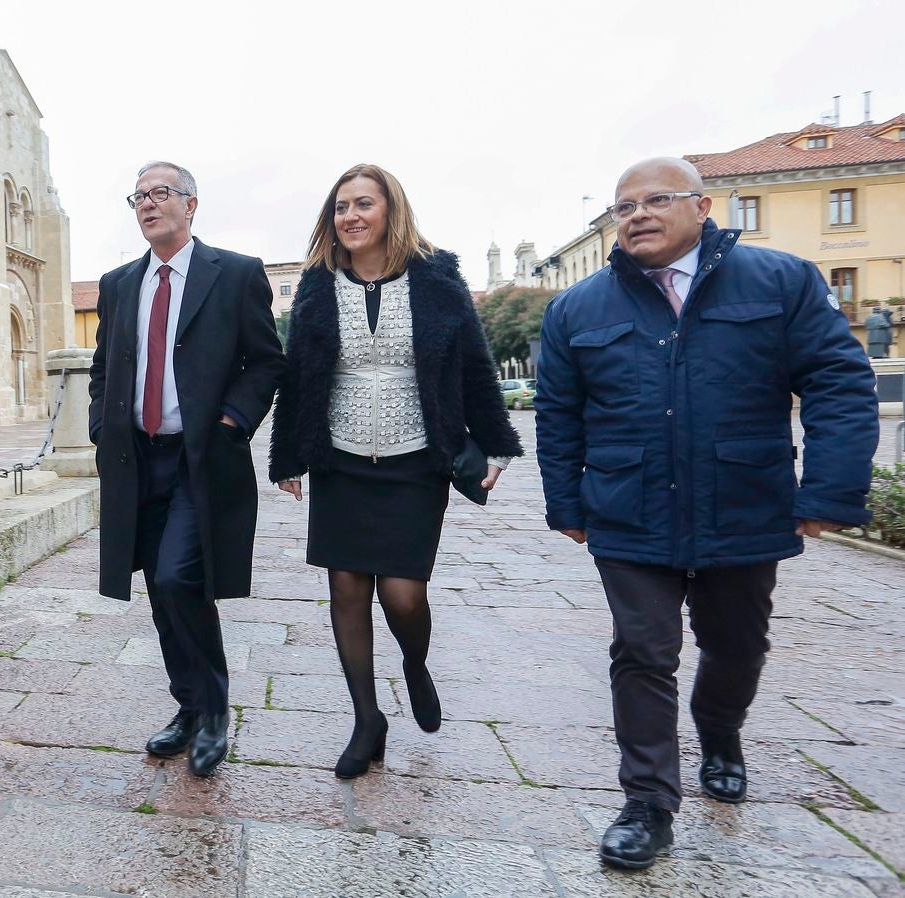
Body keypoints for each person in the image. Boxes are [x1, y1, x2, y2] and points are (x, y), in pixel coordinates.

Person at [535, 157, 879, 869]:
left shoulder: (780, 281)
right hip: (628, 511)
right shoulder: (578, 308)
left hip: (745, 504)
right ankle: (648, 803)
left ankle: (719, 732)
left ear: (704, 206)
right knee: (642, 653)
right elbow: (559, 414)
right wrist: (566, 501)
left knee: (736, 646)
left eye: (655, 199)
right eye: (623, 207)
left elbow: (839, 383)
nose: (636, 215)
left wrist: (829, 492)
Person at [268, 163, 523, 779]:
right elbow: (299, 370)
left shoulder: (438, 277)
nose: (350, 217)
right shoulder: (318, 283)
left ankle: (414, 661)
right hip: (341, 456)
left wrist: (497, 445)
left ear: (390, 211)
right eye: (340, 207)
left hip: (415, 457)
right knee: (346, 590)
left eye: (363, 204)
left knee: (404, 594)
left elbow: (472, 363)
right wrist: (286, 454)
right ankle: (367, 719)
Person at [88, 161, 283, 777]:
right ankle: (188, 708)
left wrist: (231, 421)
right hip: (136, 460)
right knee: (157, 586)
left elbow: (265, 363)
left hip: (200, 459)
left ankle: (215, 712)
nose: (148, 205)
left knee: (178, 578)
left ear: (191, 205)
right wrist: (102, 425)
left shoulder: (236, 274)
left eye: (160, 193)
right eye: (138, 197)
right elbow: (102, 369)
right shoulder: (119, 284)